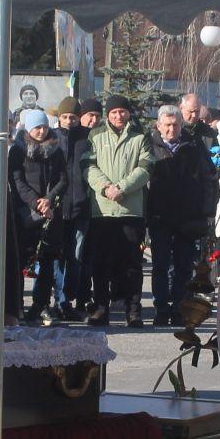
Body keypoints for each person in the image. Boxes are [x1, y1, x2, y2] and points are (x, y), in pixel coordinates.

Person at [145, 103, 217, 328]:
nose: (171, 129)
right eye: (167, 125)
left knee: (183, 266)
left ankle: (178, 307)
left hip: (187, 216)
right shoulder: (149, 145)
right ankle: (161, 308)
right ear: (158, 125)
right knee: (160, 265)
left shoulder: (193, 145)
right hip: (159, 216)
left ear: (181, 125)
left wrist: (208, 211)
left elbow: (209, 178)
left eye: (175, 125)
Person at [85, 94, 153, 327]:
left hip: (131, 210)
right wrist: (106, 188)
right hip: (102, 211)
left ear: (129, 113)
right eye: (114, 112)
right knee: (101, 263)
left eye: (122, 111)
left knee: (132, 265)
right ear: (108, 114)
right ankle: (100, 308)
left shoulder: (141, 136)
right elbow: (88, 165)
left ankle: (133, 311)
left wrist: (122, 188)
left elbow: (146, 167)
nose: (118, 116)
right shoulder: (95, 135)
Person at [10, 107, 69, 322]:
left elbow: (63, 180)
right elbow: (17, 181)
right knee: (20, 260)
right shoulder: (17, 151)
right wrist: (36, 203)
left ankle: (40, 305)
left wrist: (49, 200)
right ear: (28, 128)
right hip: (25, 212)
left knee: (47, 261)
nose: (42, 131)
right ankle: (15, 306)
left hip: (50, 213)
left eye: (44, 127)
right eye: (37, 128)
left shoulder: (56, 150)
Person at [52, 97, 95, 315]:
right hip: (58, 207)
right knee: (58, 257)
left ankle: (69, 299)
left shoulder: (87, 138)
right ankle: (59, 300)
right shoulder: (52, 138)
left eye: (73, 117)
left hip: (81, 206)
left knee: (76, 257)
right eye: (65, 117)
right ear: (59, 118)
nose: (69, 121)